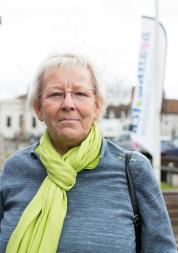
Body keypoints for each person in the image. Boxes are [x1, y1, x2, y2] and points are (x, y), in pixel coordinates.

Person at [0, 53, 177, 253]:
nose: (68, 103)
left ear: (97, 107)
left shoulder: (133, 169)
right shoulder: (15, 169)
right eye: (56, 94)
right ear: (38, 108)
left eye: (80, 94)